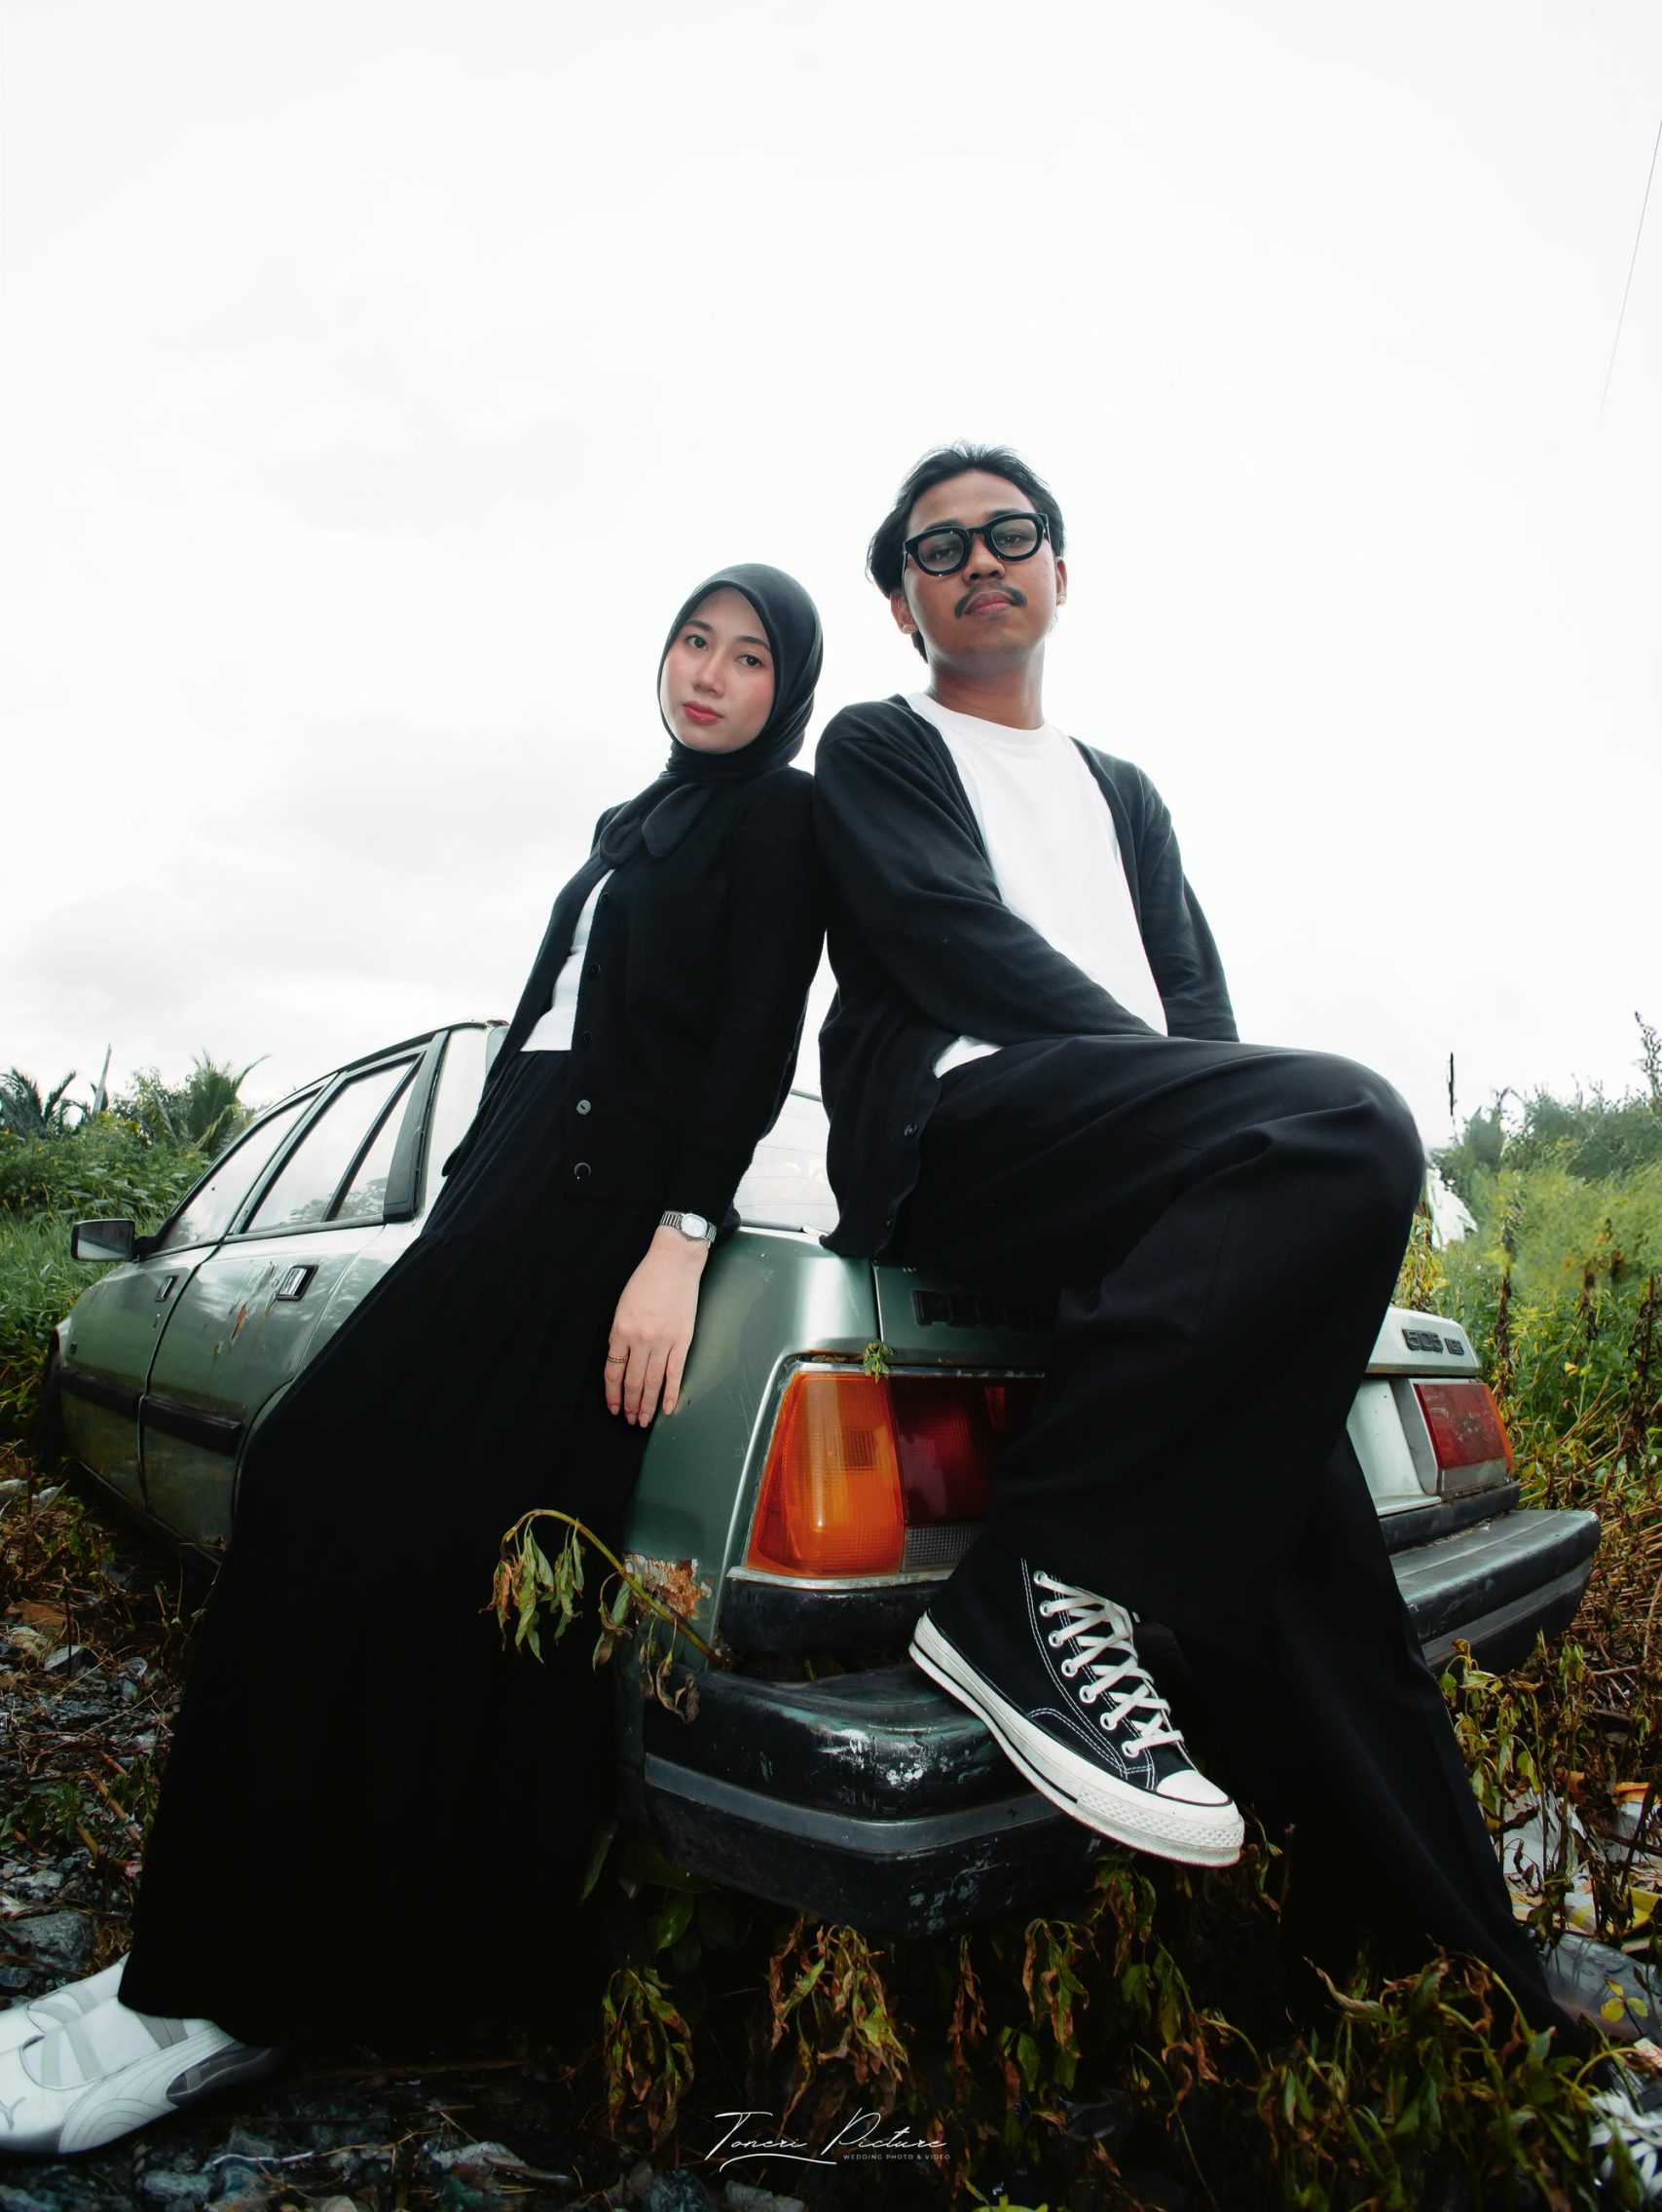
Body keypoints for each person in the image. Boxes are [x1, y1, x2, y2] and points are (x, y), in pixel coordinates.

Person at [0, 564, 827, 2157]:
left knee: (326, 1494)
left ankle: (242, 1975)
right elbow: (536, 1025)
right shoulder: (628, 824)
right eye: (694, 641)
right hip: (504, 1189)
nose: (711, 674)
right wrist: (458, 1199)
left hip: (598, 1217)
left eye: (749, 658)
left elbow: (755, 1037)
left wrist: (682, 1236)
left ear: (787, 689)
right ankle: (297, 1958)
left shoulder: (775, 823)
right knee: (417, 1558)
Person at [810, 443, 1589, 2047]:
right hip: (971, 1138)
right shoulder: (882, 746)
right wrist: (1203, 1114)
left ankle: (1467, 1985)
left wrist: (1213, 1124)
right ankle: (1028, 1586)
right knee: (1351, 1121)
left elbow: (1201, 1013)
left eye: (1011, 534)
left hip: (1144, 1167)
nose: (980, 561)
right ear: (902, 603)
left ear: (1060, 571)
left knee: (1328, 1572)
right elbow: (953, 943)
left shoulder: (1125, 795)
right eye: (940, 548)